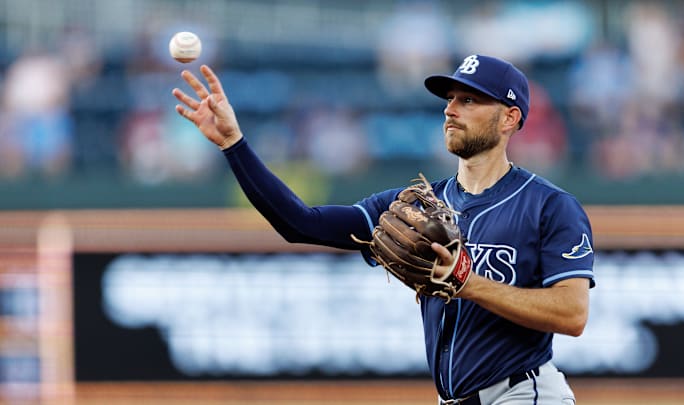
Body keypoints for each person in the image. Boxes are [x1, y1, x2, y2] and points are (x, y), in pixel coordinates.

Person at [172, 54, 595, 404]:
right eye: (450, 98)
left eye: (469, 100)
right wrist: (234, 144)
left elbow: (572, 314)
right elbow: (299, 223)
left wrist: (469, 283)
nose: (450, 109)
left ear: (509, 118)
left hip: (524, 394)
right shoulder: (413, 206)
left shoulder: (549, 206)